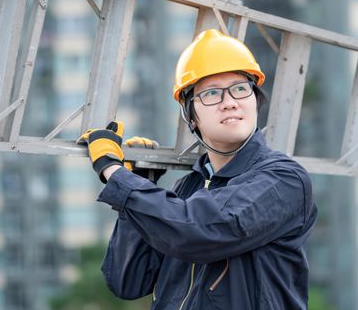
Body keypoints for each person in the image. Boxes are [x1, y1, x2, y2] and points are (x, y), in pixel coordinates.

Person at [77, 29, 317, 310]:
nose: (230, 102)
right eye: (212, 94)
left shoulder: (283, 180)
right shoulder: (185, 192)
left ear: (255, 98)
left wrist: (114, 173)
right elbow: (128, 281)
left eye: (240, 88)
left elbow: (199, 230)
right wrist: (136, 196)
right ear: (190, 116)